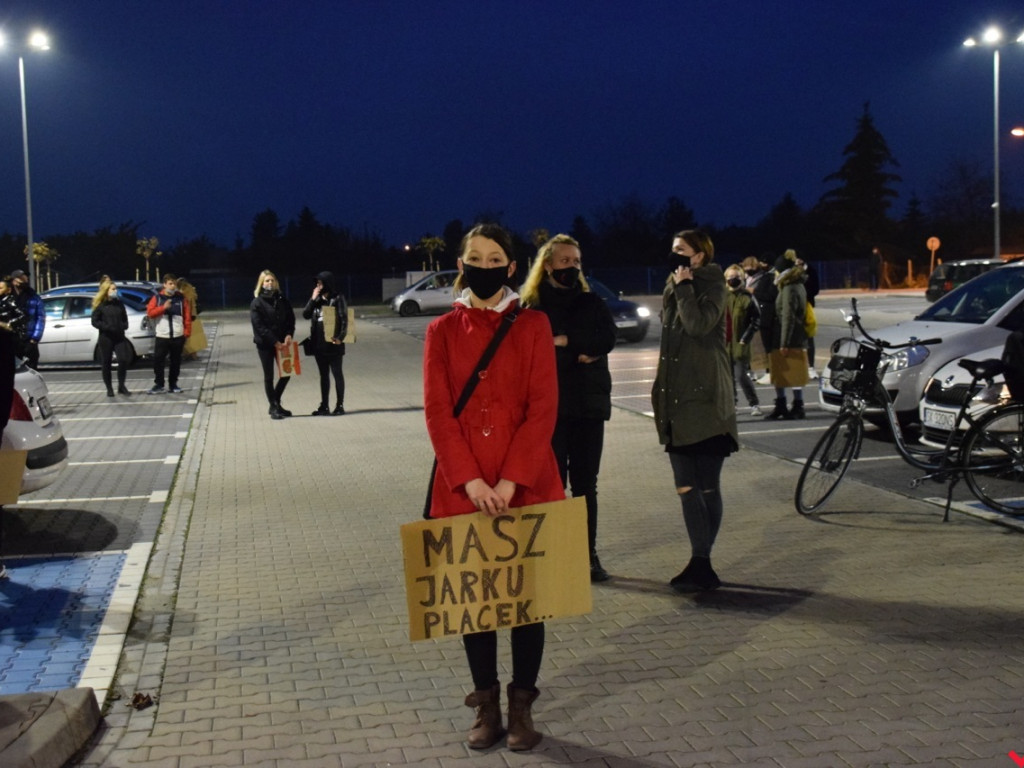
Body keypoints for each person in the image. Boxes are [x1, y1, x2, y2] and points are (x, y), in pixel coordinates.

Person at [423, 223, 563, 752]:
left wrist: (509, 480)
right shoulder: (440, 332)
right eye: (474, 257)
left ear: (511, 267)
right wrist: (472, 479)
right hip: (463, 487)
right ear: (462, 265)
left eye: (495, 257)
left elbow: (543, 407)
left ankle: (521, 706)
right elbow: (438, 413)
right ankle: (485, 704)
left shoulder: (533, 325)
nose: (485, 265)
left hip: (524, 485)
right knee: (475, 603)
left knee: (528, 604)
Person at [520, 233, 617, 583]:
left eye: (576, 262)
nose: (572, 268)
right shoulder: (531, 307)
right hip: (550, 411)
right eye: (565, 262)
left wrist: (564, 340)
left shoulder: (591, 302)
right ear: (547, 266)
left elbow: (606, 339)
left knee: (586, 486)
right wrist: (578, 349)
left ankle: (587, 555)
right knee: (552, 485)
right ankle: (554, 554)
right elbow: (528, 353)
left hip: (589, 408)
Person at [652, 229, 738, 593]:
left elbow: (698, 325)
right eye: (673, 251)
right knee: (685, 487)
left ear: (699, 256)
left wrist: (685, 287)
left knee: (706, 488)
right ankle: (699, 561)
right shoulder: (673, 286)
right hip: (677, 401)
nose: (675, 257)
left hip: (705, 400)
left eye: (681, 251)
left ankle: (701, 562)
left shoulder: (714, 286)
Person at [766, 249, 809, 420]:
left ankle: (796, 406)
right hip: (794, 335)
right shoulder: (796, 284)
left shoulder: (789, 288)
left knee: (791, 372)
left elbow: (788, 316)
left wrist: (784, 342)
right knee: (784, 372)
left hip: (789, 337)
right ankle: (784, 405)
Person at [250, 270, 296, 420]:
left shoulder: (283, 300)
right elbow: (259, 326)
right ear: (261, 284)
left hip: (283, 343)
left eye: (272, 280)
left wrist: (289, 334)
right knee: (269, 376)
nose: (270, 283)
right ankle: (274, 406)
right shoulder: (257, 303)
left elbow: (291, 319)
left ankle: (274, 403)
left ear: (276, 282)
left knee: (287, 373)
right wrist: (274, 342)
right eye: (267, 281)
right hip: (265, 344)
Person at [302, 271, 348, 416]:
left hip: (334, 344)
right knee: (323, 375)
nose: (318, 286)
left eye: (320, 283)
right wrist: (312, 298)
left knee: (337, 374)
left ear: (327, 283)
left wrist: (341, 337)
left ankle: (339, 405)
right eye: (317, 283)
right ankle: (324, 406)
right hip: (319, 345)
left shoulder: (338, 298)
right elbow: (305, 315)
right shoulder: (317, 300)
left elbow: (345, 319)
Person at [724, 264, 761, 417]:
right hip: (724, 344)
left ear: (742, 278)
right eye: (730, 278)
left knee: (740, 375)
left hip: (740, 343)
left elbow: (756, 319)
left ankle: (754, 404)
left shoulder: (747, 297)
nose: (733, 280)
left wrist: (745, 338)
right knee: (727, 378)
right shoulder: (722, 297)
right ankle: (733, 405)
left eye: (736, 277)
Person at [146, 274, 192, 394]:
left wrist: (186, 333)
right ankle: (159, 384)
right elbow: (150, 313)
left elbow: (187, 317)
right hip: (162, 336)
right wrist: (163, 308)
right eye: (170, 284)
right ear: (165, 284)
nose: (173, 286)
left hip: (177, 335)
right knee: (158, 361)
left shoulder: (181, 299)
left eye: (174, 284)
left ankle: (173, 384)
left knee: (175, 361)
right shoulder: (157, 298)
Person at [91, 280, 131, 397]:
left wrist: (123, 325)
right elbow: (95, 321)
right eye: (113, 289)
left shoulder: (119, 304)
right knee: (106, 363)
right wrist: (106, 327)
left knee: (123, 360)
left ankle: (121, 385)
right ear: (106, 291)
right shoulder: (100, 305)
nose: (115, 291)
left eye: (115, 289)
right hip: (106, 337)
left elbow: (124, 318)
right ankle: (109, 388)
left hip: (119, 336)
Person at [10, 269, 43, 369]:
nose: (24, 281)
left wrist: (34, 339)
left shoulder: (33, 296)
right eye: (21, 278)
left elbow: (40, 317)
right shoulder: (8, 297)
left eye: (25, 278)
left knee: (32, 368)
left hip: (28, 340)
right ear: (14, 281)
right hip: (12, 339)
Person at [178, 278, 207, 360]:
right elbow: (195, 297)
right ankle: (193, 354)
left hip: (187, 314)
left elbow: (186, 302)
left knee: (187, 335)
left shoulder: (183, 291)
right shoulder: (191, 289)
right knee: (193, 335)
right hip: (193, 314)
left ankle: (188, 353)